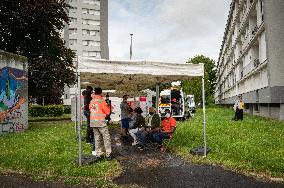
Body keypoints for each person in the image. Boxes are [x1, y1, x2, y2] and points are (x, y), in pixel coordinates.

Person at [89, 87, 114, 160]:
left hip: (93, 122)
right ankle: (108, 154)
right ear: (101, 92)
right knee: (106, 137)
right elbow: (107, 112)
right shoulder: (101, 101)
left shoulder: (92, 101)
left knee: (97, 138)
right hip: (100, 122)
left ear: (95, 92)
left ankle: (98, 154)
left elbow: (91, 110)